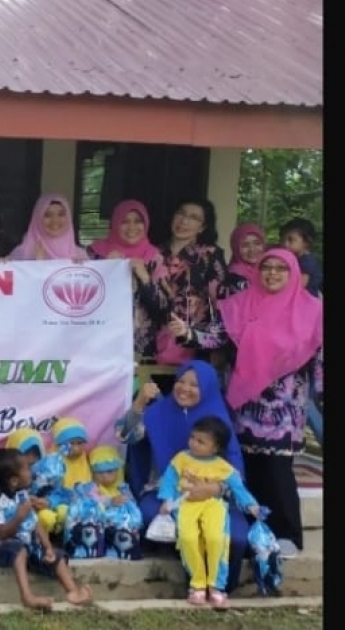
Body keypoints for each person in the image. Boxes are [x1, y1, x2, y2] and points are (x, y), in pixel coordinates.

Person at [174, 248, 322, 556]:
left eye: (281, 268)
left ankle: (287, 534)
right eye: (267, 267)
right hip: (245, 404)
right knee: (249, 468)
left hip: (285, 408)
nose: (272, 273)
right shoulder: (240, 304)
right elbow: (216, 337)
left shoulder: (313, 311)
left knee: (278, 471)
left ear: (293, 273)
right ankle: (254, 531)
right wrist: (188, 333)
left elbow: (320, 360)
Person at [117, 360, 250, 593]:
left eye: (194, 385)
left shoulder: (218, 419)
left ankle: (218, 589)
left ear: (207, 388)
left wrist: (215, 489)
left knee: (235, 537)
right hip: (166, 494)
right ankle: (197, 586)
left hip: (213, 496)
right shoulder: (158, 412)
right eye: (180, 381)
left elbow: (234, 470)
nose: (184, 388)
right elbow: (127, 436)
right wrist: (139, 404)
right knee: (158, 518)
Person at [157, 416, 261, 609]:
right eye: (192, 438)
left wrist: (252, 506)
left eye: (201, 441)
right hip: (186, 504)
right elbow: (169, 481)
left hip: (213, 505)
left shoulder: (223, 467)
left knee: (216, 539)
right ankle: (197, 584)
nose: (193, 443)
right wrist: (167, 500)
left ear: (216, 448)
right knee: (188, 538)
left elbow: (238, 489)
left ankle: (216, 586)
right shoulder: (181, 459)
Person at [0, 448, 93, 610]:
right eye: (26, 468)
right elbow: (3, 534)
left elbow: (35, 522)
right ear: (14, 481)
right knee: (19, 549)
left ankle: (73, 592)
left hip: (20, 539)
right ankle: (27, 597)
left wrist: (47, 547)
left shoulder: (21, 493)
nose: (31, 471)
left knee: (56, 554)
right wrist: (20, 515)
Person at [149, 198, 227, 365]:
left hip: (192, 342)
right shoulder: (152, 252)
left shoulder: (209, 255)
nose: (184, 221)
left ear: (203, 227)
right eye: (181, 214)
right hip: (152, 340)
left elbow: (221, 303)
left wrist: (216, 344)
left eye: (194, 218)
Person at [85, 199, 167, 358]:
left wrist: (145, 278)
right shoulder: (94, 253)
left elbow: (163, 309)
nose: (132, 227)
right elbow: (82, 300)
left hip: (140, 349)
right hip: (99, 344)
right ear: (115, 223)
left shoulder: (155, 258)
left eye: (137, 221)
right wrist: (106, 268)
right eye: (124, 221)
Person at [9, 194, 87, 261]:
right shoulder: (21, 253)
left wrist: (81, 268)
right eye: (48, 215)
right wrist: (3, 264)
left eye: (61, 214)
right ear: (37, 219)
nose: (55, 220)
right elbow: (8, 270)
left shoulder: (80, 256)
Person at [218, 223, 266, 299]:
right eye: (245, 245)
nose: (252, 249)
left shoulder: (267, 271)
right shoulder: (235, 278)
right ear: (236, 248)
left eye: (257, 243)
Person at [279, 217, 322, 297]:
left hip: (307, 299)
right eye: (283, 240)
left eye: (290, 240)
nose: (285, 244)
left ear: (307, 242)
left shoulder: (307, 261)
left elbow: (300, 284)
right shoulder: (296, 258)